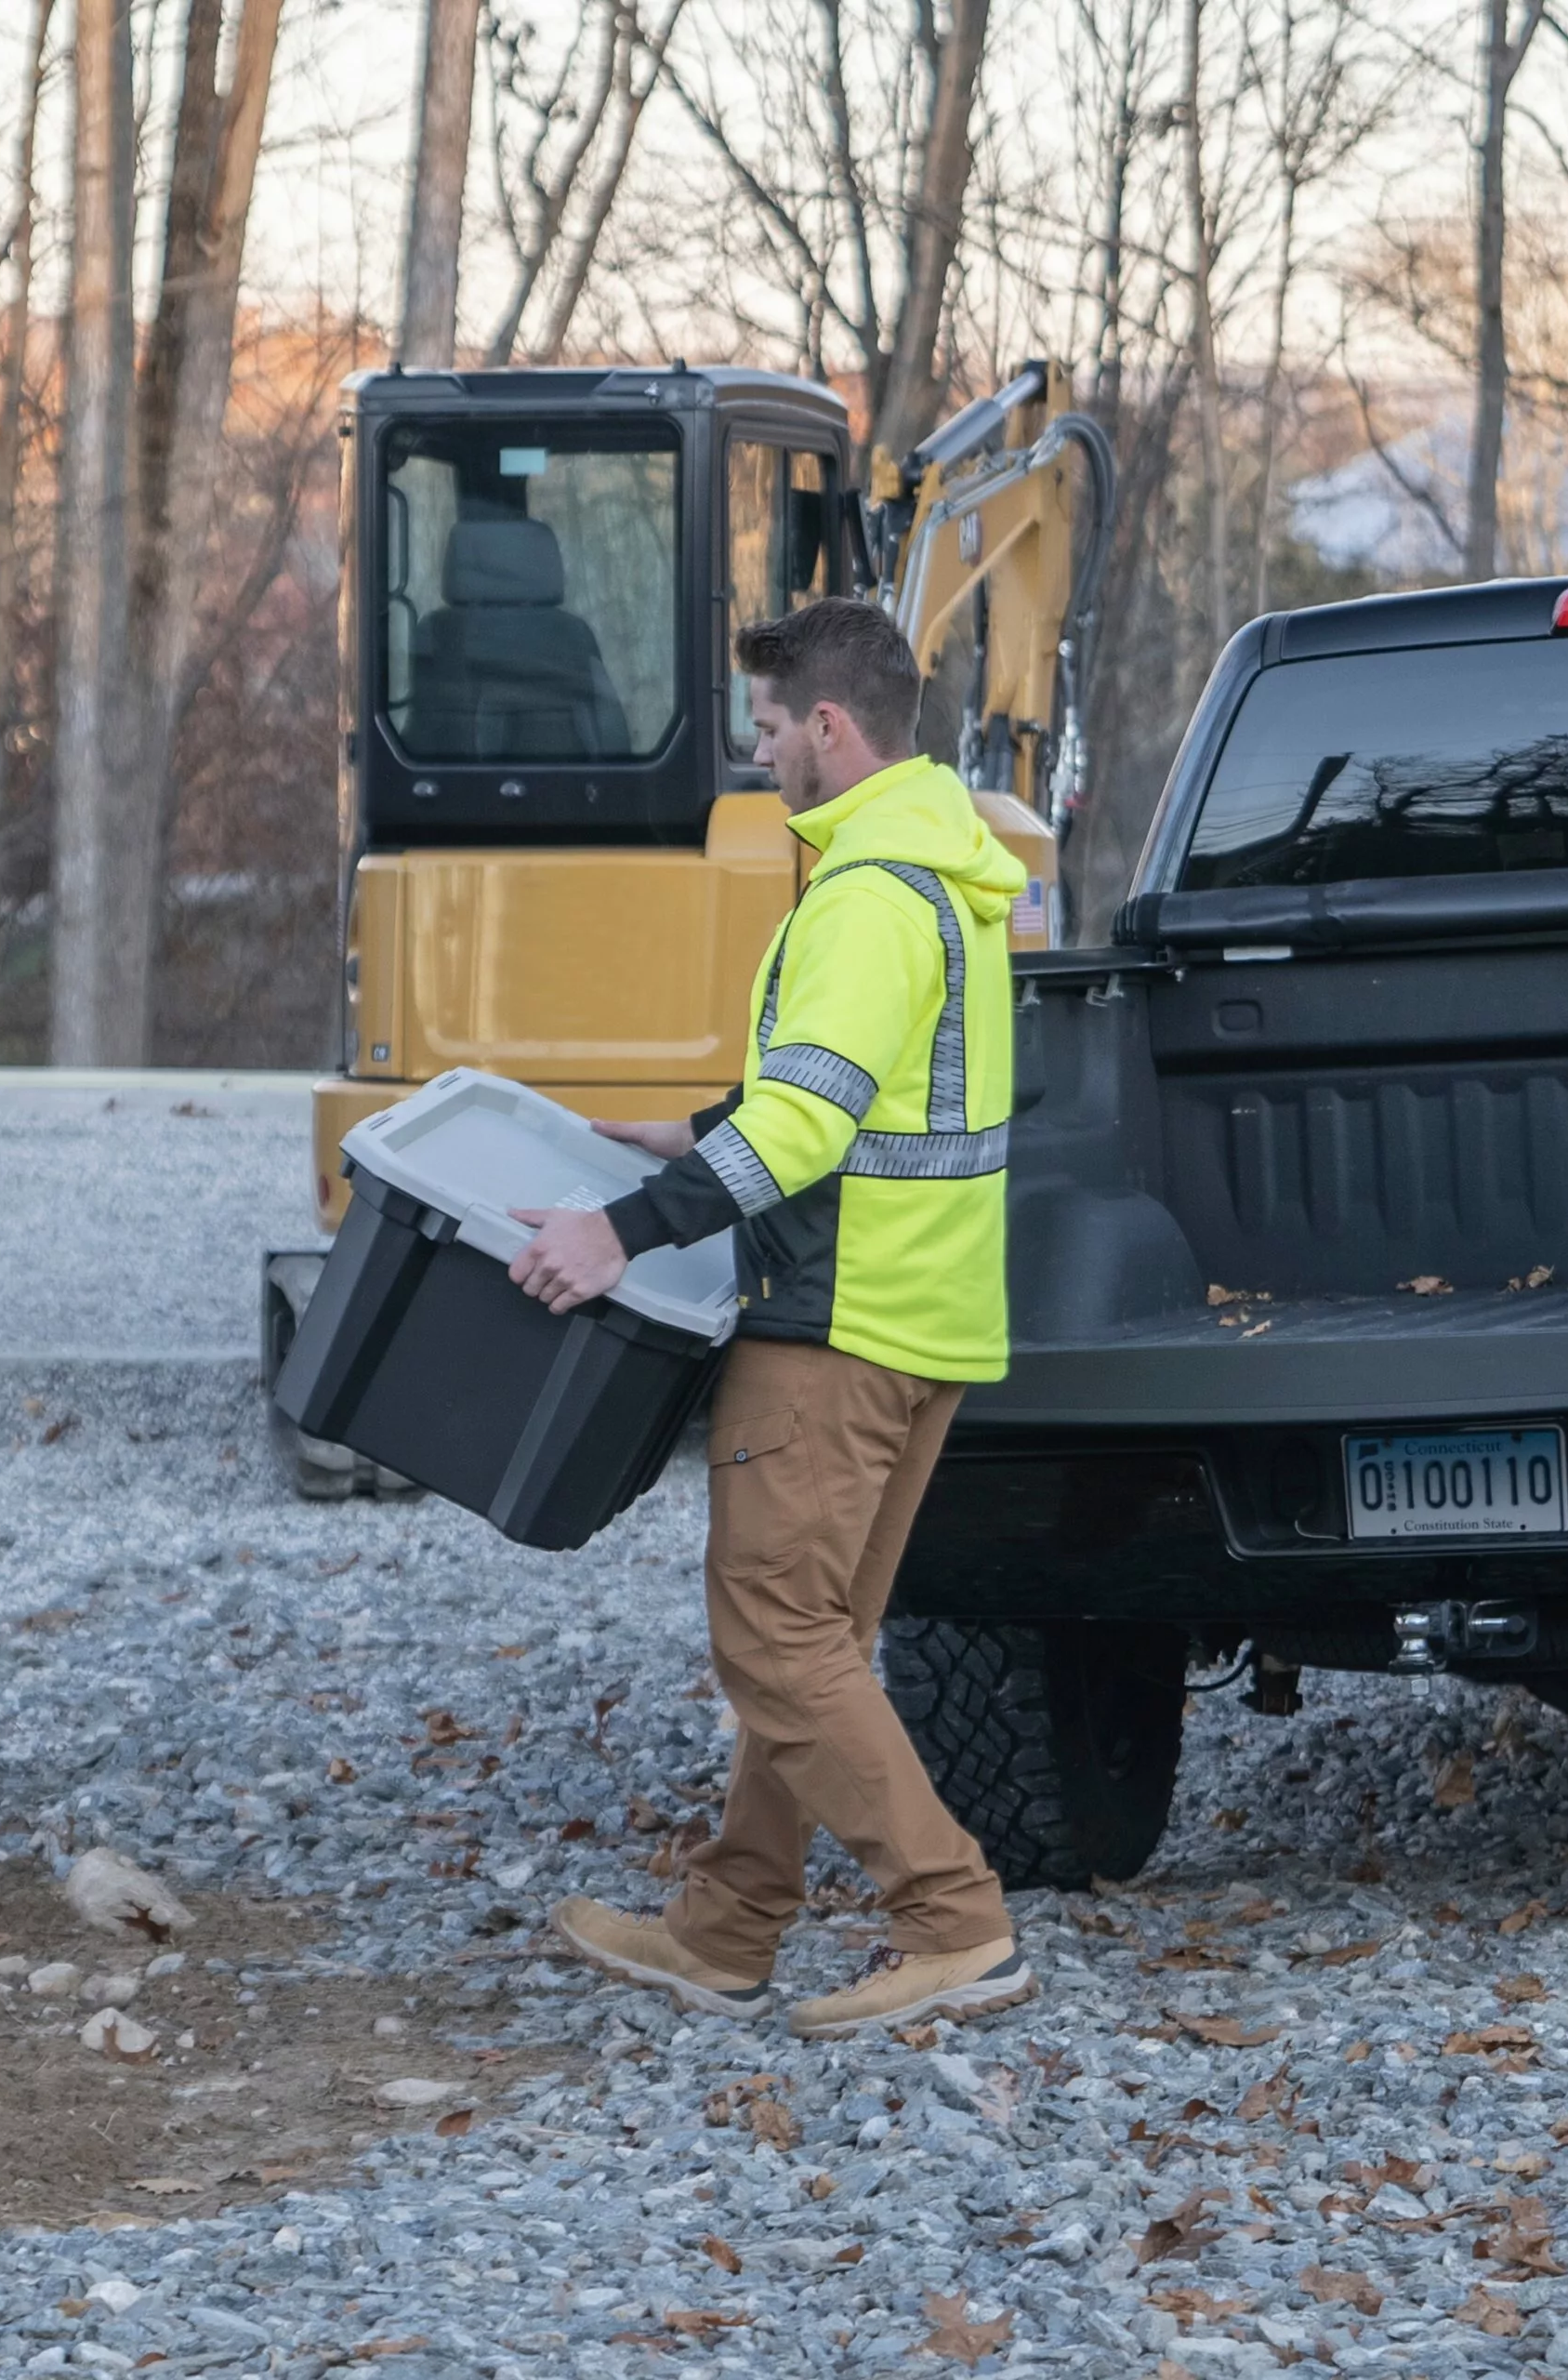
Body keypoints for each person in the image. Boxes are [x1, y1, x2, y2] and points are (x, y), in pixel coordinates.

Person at [505, 597, 1033, 2040]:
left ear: (829, 728)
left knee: (772, 1644)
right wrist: (684, 1136)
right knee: (813, 1646)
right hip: (921, 1315)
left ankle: (954, 1924)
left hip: (834, 1324)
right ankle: (729, 1931)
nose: (758, 757)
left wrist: (617, 1233)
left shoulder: (866, 891)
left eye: (766, 730)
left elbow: (807, 1125)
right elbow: (854, 1098)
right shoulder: (947, 875)